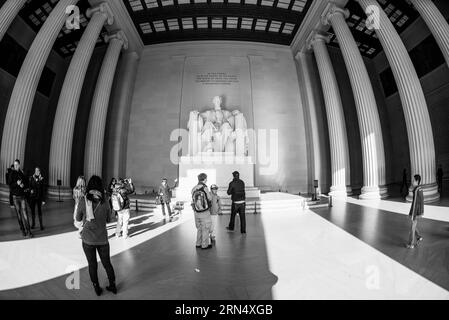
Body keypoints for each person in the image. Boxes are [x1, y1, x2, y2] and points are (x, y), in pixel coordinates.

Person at [75, 175, 117, 296]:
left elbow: (78, 219)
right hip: (103, 239)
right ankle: (113, 286)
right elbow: (109, 220)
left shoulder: (83, 201)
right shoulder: (105, 202)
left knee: (92, 265)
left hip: (88, 240)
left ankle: (96, 288)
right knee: (107, 263)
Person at [7, 159, 33, 238]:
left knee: (25, 214)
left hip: (22, 197)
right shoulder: (11, 173)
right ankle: (23, 231)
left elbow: (26, 184)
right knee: (19, 215)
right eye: (14, 165)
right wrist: (16, 183)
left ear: (19, 165)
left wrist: (23, 186)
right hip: (15, 197)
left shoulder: (22, 173)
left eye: (17, 165)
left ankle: (29, 231)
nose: (15, 166)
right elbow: (10, 185)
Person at [191, 173, 213, 249]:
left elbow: (193, 199)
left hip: (196, 211)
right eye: (206, 178)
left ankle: (198, 243)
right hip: (204, 211)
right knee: (206, 228)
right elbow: (209, 198)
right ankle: (204, 245)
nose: (207, 180)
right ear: (204, 179)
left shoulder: (193, 188)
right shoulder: (204, 188)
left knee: (199, 228)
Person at [407, 174, 424, 249]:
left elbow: (415, 203)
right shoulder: (420, 188)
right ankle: (419, 237)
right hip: (419, 211)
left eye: (413, 180)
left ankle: (411, 244)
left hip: (416, 211)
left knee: (412, 227)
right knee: (414, 224)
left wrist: (413, 215)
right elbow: (421, 201)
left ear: (417, 181)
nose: (412, 181)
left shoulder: (416, 190)